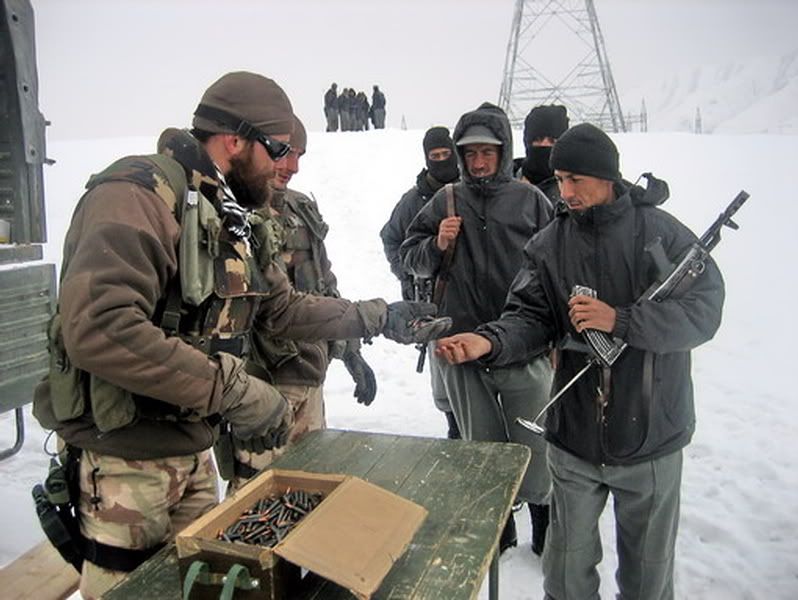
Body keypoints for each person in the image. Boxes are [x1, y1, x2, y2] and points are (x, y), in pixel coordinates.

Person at [31, 71, 444, 599]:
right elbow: (101, 327)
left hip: (191, 450)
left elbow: (278, 309)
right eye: (279, 150)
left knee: (210, 587)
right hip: (123, 466)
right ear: (235, 140)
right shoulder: (136, 194)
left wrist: (375, 317)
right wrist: (234, 389)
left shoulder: (228, 213)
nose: (285, 166)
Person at [435, 123, 725, 599]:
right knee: (566, 577)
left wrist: (622, 321)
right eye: (560, 180)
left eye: (576, 180)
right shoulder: (549, 244)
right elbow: (530, 317)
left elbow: (704, 312)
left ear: (607, 176)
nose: (565, 192)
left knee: (648, 579)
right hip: (573, 439)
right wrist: (488, 342)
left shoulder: (661, 233)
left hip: (652, 436)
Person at [401, 102, 554, 554]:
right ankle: (498, 531)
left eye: (487, 152)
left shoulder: (532, 201)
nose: (479, 162)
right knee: (480, 452)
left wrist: (557, 336)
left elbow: (558, 268)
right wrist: (436, 243)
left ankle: (545, 525)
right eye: (470, 154)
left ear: (503, 152)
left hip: (524, 345)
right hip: (462, 349)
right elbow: (410, 257)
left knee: (536, 448)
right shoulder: (446, 199)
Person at [232, 115, 377, 487]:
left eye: (298, 155)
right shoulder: (233, 212)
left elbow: (324, 285)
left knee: (311, 488)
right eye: (283, 153)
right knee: (255, 497)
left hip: (309, 376)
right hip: (260, 386)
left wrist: (350, 350)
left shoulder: (300, 209)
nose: (291, 166)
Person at [380, 126, 460, 438]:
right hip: (434, 302)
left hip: (473, 296)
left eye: (445, 154)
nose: (441, 160)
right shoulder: (413, 201)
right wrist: (408, 273)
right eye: (434, 156)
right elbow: (391, 239)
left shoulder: (469, 191)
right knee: (446, 384)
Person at [515, 104, 569, 205]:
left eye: (552, 140)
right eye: (538, 139)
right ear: (527, 142)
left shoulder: (572, 191)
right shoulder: (508, 183)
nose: (544, 145)